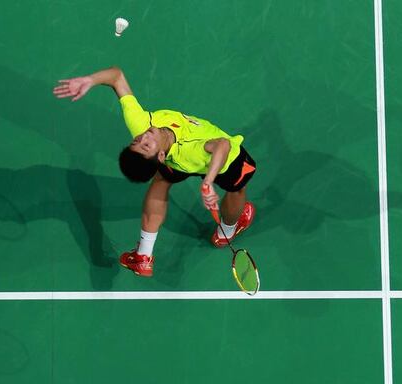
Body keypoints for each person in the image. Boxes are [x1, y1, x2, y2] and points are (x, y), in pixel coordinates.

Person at [53, 66, 257, 277]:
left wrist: (89, 80)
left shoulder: (141, 125)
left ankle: (143, 256)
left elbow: (116, 77)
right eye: (146, 146)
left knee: (161, 180)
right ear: (159, 156)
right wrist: (209, 180)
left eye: (137, 141)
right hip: (224, 161)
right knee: (237, 190)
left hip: (175, 161)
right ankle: (227, 232)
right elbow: (222, 146)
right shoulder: (191, 151)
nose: (144, 137)